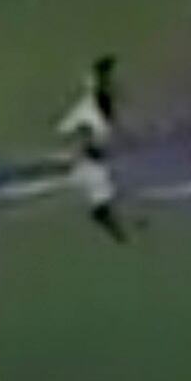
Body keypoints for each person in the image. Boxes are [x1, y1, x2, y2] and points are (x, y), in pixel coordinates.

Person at [59, 63, 124, 245]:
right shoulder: (85, 108)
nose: (109, 84)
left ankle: (112, 225)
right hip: (91, 163)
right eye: (104, 80)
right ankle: (113, 230)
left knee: (107, 193)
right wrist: (83, 136)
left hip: (102, 158)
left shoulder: (105, 101)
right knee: (102, 198)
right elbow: (64, 129)